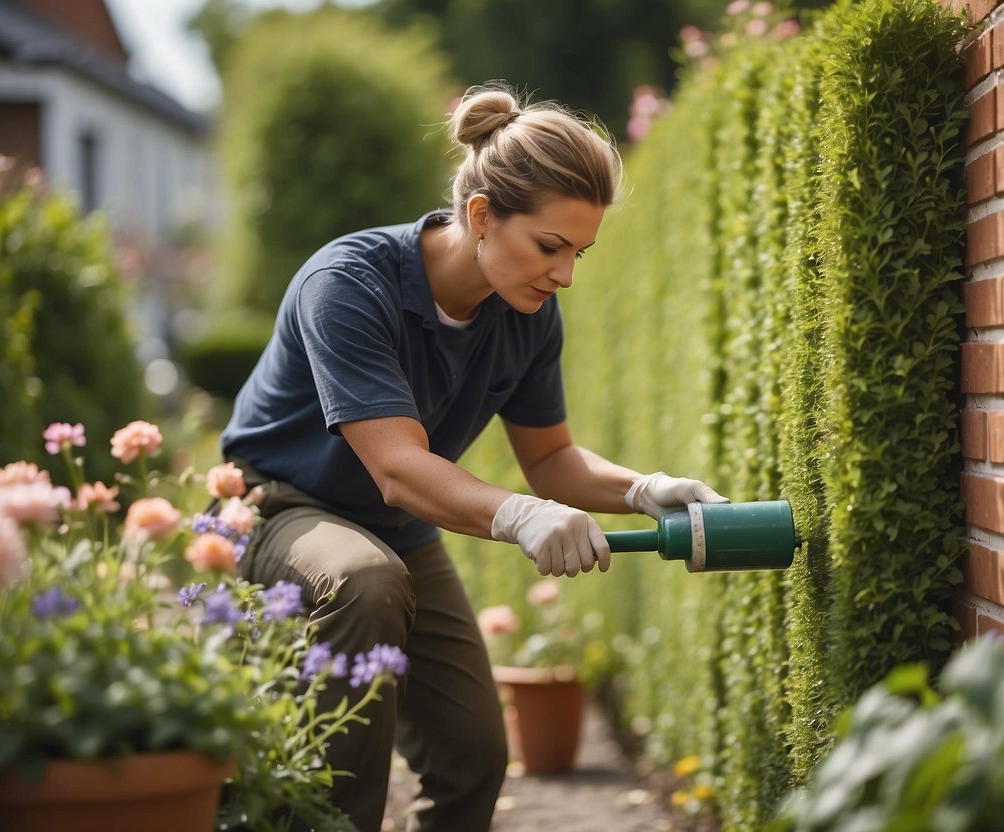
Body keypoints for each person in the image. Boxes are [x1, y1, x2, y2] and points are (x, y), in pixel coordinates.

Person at [219, 81, 728, 832]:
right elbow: (395, 467)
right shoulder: (349, 284)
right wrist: (519, 517)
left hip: (393, 529)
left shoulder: (527, 315)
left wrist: (645, 489)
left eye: (579, 252)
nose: (564, 275)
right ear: (481, 216)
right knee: (362, 582)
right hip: (275, 507)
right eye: (549, 246)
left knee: (473, 758)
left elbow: (551, 459)